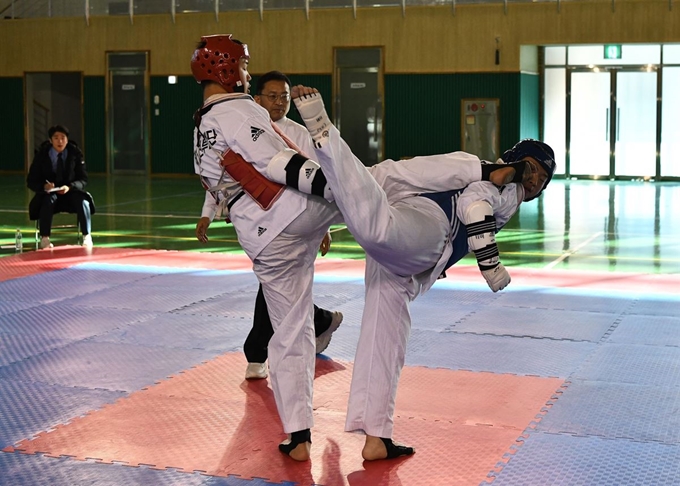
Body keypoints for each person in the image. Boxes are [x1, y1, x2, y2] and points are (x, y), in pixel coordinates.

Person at [191, 35, 530, 462]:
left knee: (290, 330)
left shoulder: (203, 124)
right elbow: (279, 164)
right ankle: (474, 165)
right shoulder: (238, 110)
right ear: (225, 70)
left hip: (261, 241)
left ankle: (298, 436)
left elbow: (226, 179)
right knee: (379, 178)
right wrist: (338, 186)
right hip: (288, 208)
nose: (246, 73)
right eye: (242, 66)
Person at [285, 85, 555, 461]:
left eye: (542, 179)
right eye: (533, 170)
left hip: (409, 238)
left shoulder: (496, 184)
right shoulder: (508, 190)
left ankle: (377, 435)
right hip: (427, 229)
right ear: (516, 162)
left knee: (386, 339)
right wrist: (491, 266)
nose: (535, 181)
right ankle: (324, 134)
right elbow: (476, 208)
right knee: (378, 227)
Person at [195, 70, 343, 381]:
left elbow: (317, 175)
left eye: (284, 97)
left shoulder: (297, 133)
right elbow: (223, 178)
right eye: (272, 97)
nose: (279, 103)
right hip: (259, 221)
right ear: (257, 98)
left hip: (294, 217)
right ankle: (317, 324)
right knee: (283, 292)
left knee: (280, 289)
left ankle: (260, 352)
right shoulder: (234, 120)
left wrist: (324, 226)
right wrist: (208, 212)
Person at [27, 125, 95, 249]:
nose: (60, 141)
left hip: (70, 192)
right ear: (50, 140)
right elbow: (31, 180)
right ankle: (45, 238)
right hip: (49, 193)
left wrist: (70, 186)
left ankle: (87, 236)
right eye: (56, 138)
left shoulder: (75, 153)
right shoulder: (41, 155)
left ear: (67, 140)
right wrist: (44, 186)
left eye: (63, 138)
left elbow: (84, 179)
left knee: (83, 201)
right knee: (47, 201)